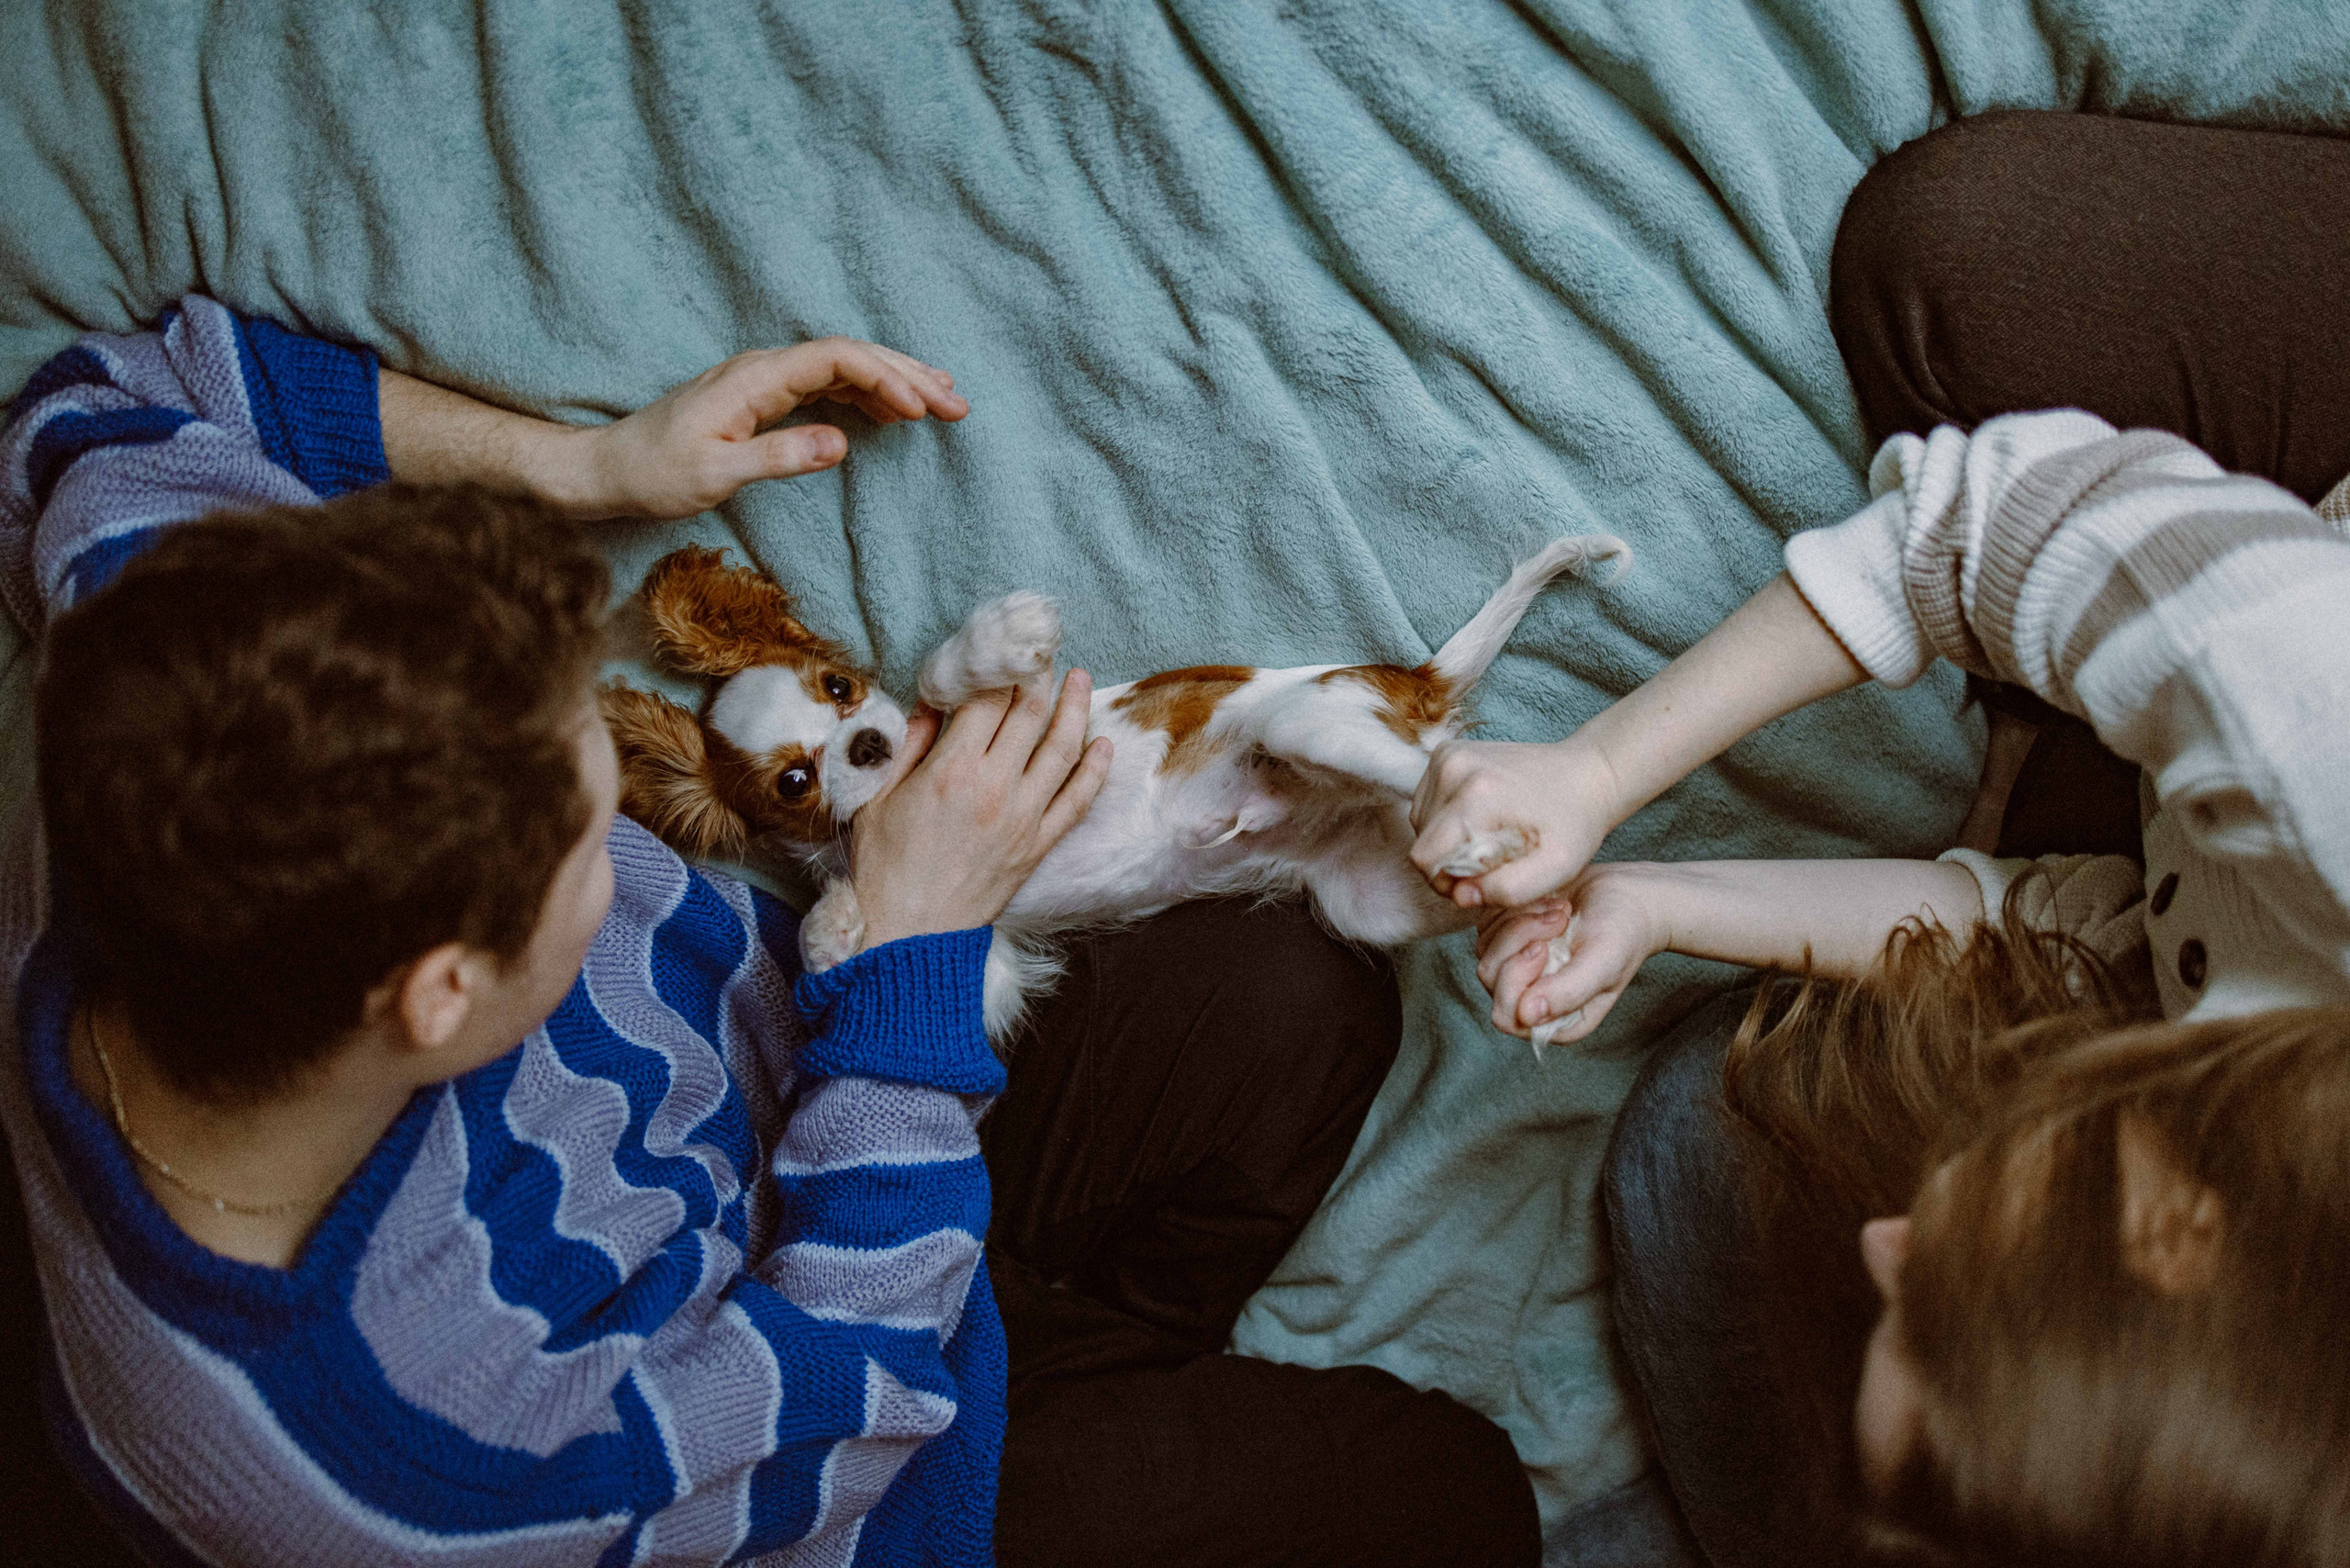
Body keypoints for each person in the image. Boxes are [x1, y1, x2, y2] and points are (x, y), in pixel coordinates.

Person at [1, 297, 1538, 1565]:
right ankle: (1066, 1380)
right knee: (1454, 1501)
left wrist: (596, 466)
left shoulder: (149, 670)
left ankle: (1092, 1338)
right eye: (584, 853)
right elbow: (853, 1386)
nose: (625, 850)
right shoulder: (430, 1448)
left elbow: (110, 400)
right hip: (835, 1451)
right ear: (442, 996)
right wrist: (915, 960)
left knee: (1303, 996)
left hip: (773, 1110)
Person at [1406, 110, 2350, 1565]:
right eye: (1948, 1289)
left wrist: (1657, 900)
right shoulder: (2326, 762)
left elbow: (2126, 952)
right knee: (1954, 258)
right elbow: (1985, 526)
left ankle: (2093, 708)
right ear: (2183, 1246)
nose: (1882, 1247)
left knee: (1701, 1133)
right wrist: (1600, 766)